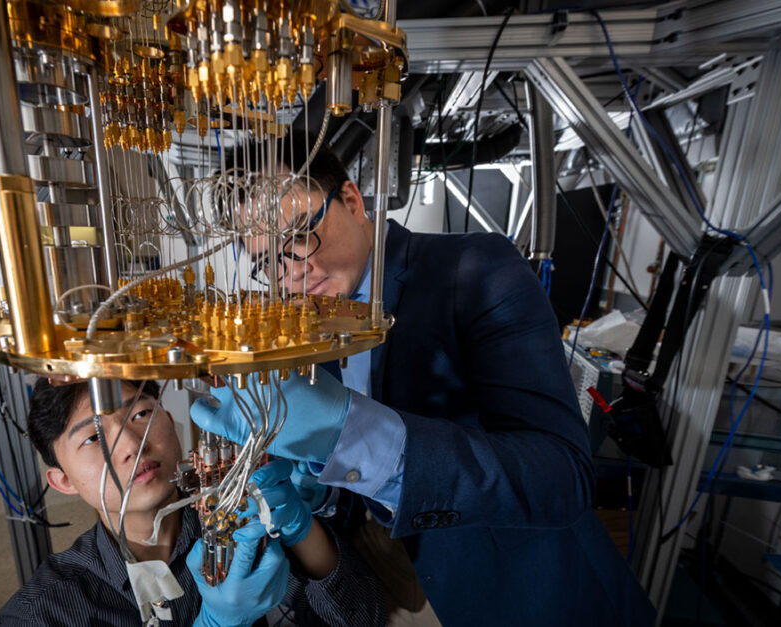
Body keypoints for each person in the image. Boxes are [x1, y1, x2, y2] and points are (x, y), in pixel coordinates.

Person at [191, 144, 657, 625]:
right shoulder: (306, 321)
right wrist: (319, 495)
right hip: (388, 589)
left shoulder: (476, 271)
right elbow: (358, 487)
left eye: (299, 233)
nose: (291, 270)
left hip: (517, 590)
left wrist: (351, 435)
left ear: (352, 200)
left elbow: (562, 477)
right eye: (268, 261)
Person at [0, 377, 385, 626]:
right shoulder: (44, 612)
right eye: (93, 438)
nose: (132, 445)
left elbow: (367, 616)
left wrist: (302, 529)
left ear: (169, 416)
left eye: (142, 414)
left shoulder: (241, 519)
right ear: (62, 481)